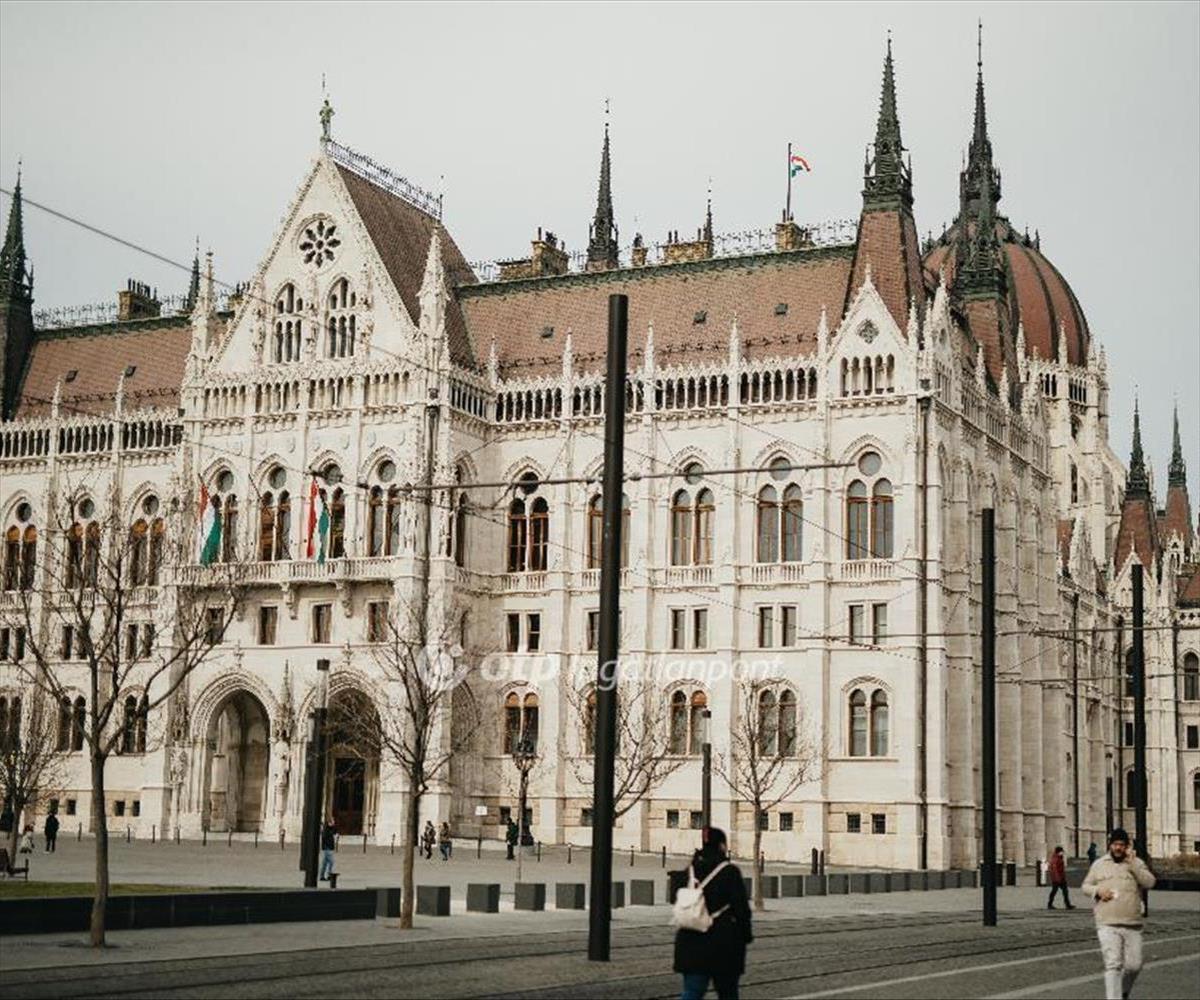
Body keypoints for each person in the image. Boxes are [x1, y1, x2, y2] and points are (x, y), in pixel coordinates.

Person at [673, 826, 753, 1000]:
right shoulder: (729, 872)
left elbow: (676, 897)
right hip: (723, 943)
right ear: (722, 846)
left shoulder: (689, 870)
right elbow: (741, 909)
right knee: (727, 993)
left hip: (690, 939)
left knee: (692, 992)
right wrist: (746, 935)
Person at [1081, 828, 1156, 1000]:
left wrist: (1132, 865)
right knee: (1113, 964)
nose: (1118, 848)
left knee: (1134, 965)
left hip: (1132, 923)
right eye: (1115, 844)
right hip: (1107, 922)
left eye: (1122, 845)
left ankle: (1122, 992)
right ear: (1110, 845)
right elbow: (1085, 886)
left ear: (1127, 846)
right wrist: (1098, 891)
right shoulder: (1099, 864)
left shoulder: (1136, 863)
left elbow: (1150, 882)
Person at [1047, 845, 1075, 910]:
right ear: (1059, 852)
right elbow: (1055, 870)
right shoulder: (1056, 859)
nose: (1062, 853)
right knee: (1055, 891)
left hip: (1060, 877)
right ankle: (1050, 904)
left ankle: (1067, 904)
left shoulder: (1058, 858)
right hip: (1057, 878)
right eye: (1061, 852)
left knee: (1064, 891)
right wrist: (1058, 879)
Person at [318, 817, 337, 882]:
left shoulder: (330, 829)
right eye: (333, 821)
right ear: (329, 823)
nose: (334, 823)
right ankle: (329, 875)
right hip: (327, 848)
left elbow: (334, 832)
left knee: (324, 863)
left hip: (329, 848)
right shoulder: (326, 830)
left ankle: (322, 876)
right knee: (331, 862)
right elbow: (326, 838)